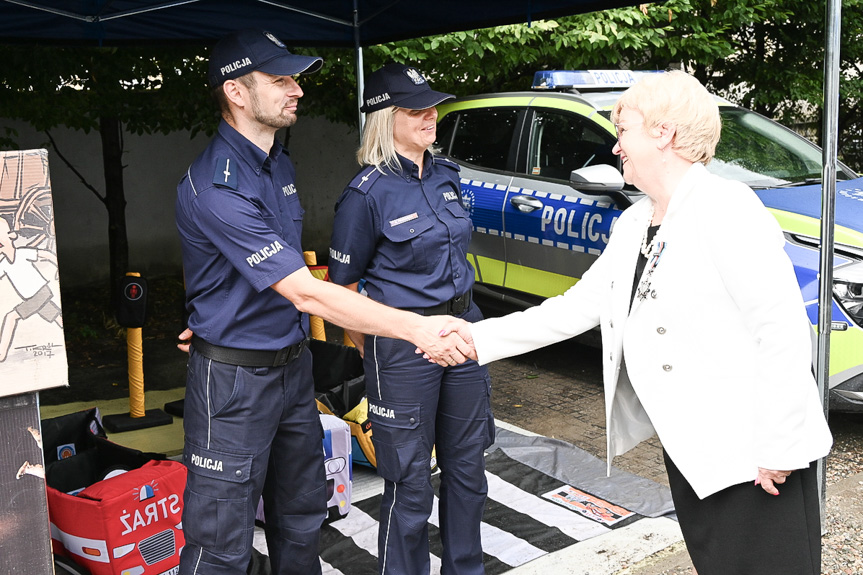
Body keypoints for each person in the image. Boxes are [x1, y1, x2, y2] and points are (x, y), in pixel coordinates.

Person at [444, 70, 833, 575]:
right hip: (695, 448)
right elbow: (577, 307)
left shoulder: (726, 208)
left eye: (623, 131)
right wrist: (475, 338)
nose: (615, 148)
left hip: (753, 452)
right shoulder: (636, 221)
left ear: (664, 133)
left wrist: (778, 446)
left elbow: (780, 330)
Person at [175, 30, 470, 575]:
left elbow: (250, 270)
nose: (297, 91)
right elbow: (307, 290)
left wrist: (209, 310)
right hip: (234, 384)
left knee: (303, 515)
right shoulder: (215, 184)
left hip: (291, 369)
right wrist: (415, 328)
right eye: (280, 79)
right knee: (220, 539)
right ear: (237, 92)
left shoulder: (277, 164)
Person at [326, 62, 495, 575]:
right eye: (415, 109)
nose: (431, 116)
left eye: (432, 106)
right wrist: (377, 349)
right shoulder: (365, 194)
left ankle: (465, 568)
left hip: (464, 331)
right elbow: (342, 290)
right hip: (402, 346)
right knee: (410, 476)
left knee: (468, 467)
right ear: (384, 117)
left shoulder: (446, 175)